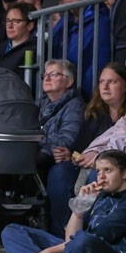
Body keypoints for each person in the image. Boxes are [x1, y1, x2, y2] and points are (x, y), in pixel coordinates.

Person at [2, 148, 126, 253]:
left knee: (84, 241)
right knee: (11, 231)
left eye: (108, 170)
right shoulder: (102, 195)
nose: (101, 177)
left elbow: (85, 241)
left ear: (124, 173)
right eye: (98, 171)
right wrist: (79, 208)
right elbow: (70, 239)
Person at [36, 59, 85, 236]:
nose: (47, 78)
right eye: (45, 75)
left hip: (52, 159)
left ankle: (58, 234)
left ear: (69, 81)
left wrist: (36, 144)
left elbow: (65, 141)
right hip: (37, 153)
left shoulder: (75, 106)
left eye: (54, 74)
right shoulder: (41, 103)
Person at [51, 0, 110, 96]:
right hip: (63, 91)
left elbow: (99, 63)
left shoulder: (101, 22)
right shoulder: (65, 21)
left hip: (83, 94)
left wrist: (84, 95)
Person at [0, 2, 36, 74]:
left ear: (30, 26)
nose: (10, 26)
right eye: (8, 21)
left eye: (16, 21)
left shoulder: (37, 50)